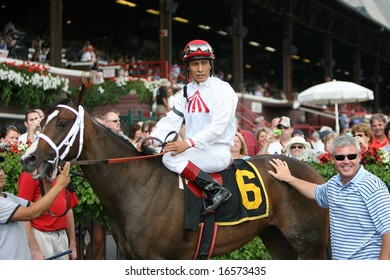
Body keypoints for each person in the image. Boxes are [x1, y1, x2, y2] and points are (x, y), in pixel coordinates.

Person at [146, 39, 238, 212]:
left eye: (204, 63)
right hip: (195, 149)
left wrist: (187, 143)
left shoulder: (223, 89)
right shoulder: (184, 93)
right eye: (195, 64)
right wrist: (151, 140)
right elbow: (170, 121)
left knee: (168, 158)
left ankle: (215, 190)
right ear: (188, 67)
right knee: (158, 153)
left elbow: (218, 128)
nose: (200, 69)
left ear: (211, 65)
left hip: (217, 150)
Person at [268, 135, 390, 259]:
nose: (346, 161)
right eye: (340, 157)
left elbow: (388, 232)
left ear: (359, 157)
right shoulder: (334, 184)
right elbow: (315, 191)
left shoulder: (373, 187)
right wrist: (289, 178)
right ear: (332, 159)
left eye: (351, 156)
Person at [1, 159, 71, 260]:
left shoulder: (9, 197)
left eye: (0, 169)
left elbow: (38, 207)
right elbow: (31, 213)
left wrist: (48, 180)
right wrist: (59, 185)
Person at [18, 168, 78, 260]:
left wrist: (72, 243)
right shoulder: (30, 174)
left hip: (61, 235)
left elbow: (68, 208)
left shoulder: (60, 173)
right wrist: (35, 249)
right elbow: (24, 215)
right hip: (41, 235)